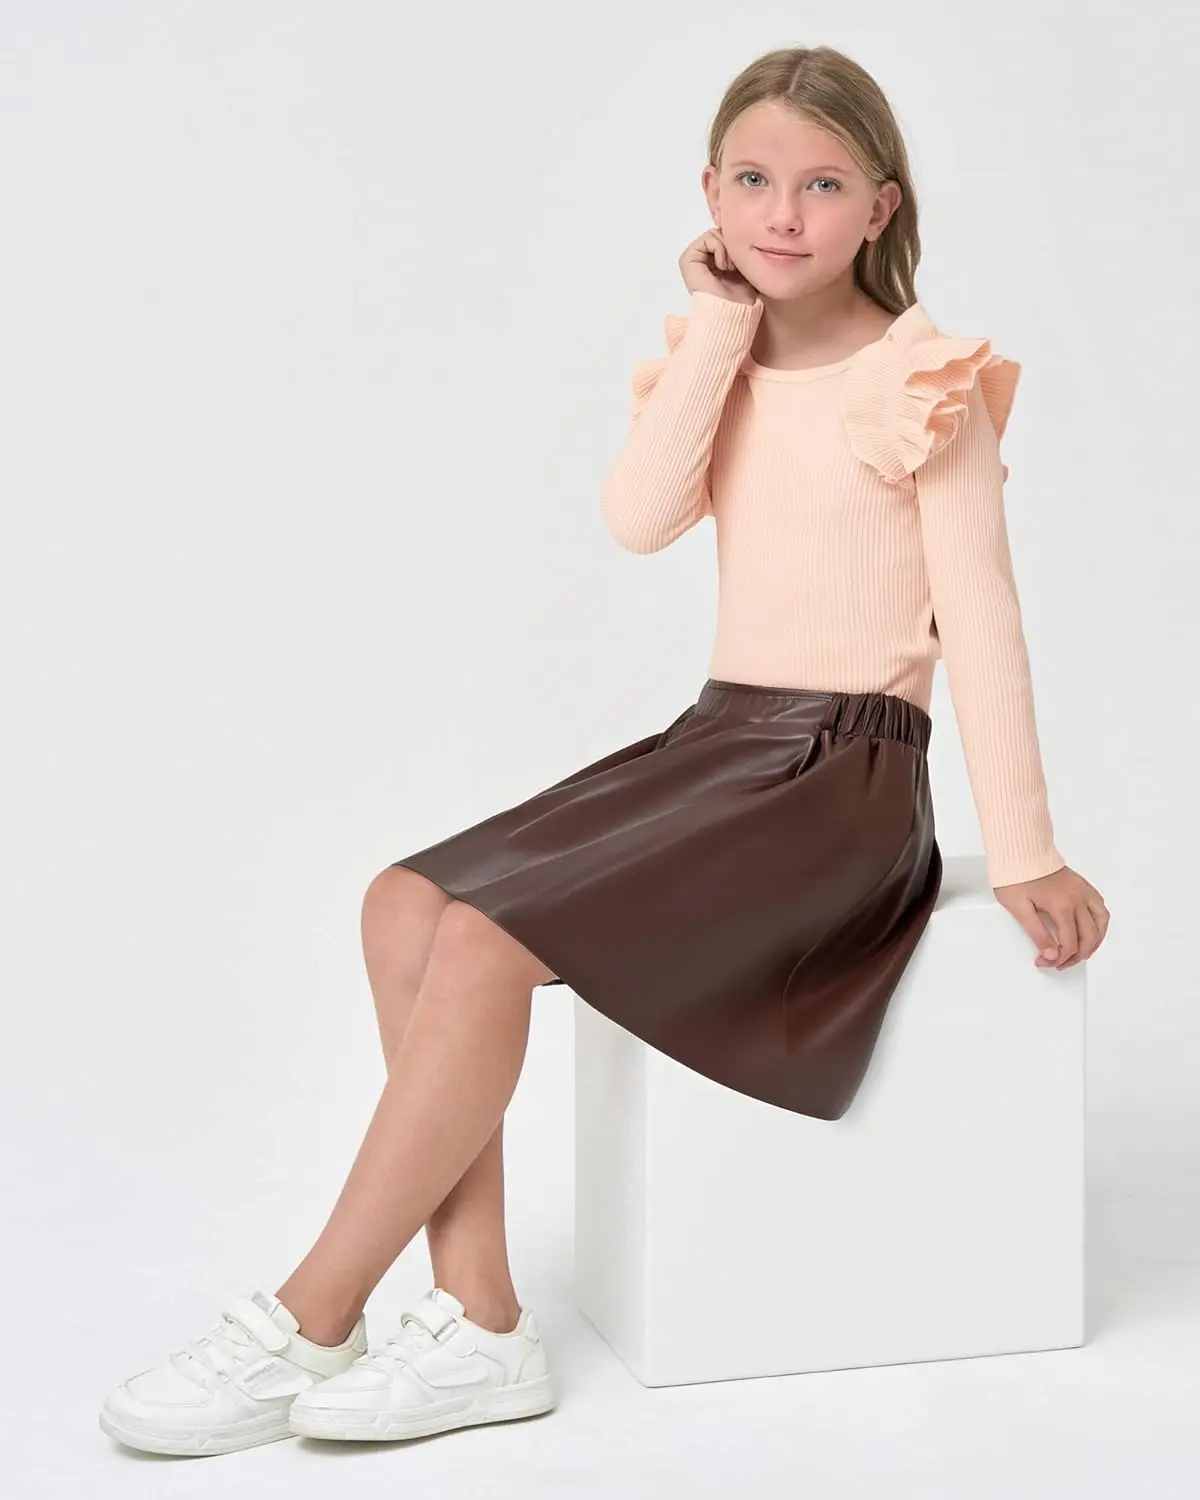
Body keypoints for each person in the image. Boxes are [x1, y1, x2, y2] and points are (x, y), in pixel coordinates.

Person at [99, 43, 1109, 1459]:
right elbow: (639, 519)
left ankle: (312, 1314)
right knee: (403, 903)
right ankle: (480, 1320)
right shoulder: (725, 359)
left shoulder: (918, 380)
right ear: (710, 194)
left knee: (489, 941)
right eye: (753, 180)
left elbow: (984, 619)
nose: (783, 214)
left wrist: (1030, 848)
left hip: (844, 778)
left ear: (881, 207)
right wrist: (715, 331)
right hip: (721, 740)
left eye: (823, 186)